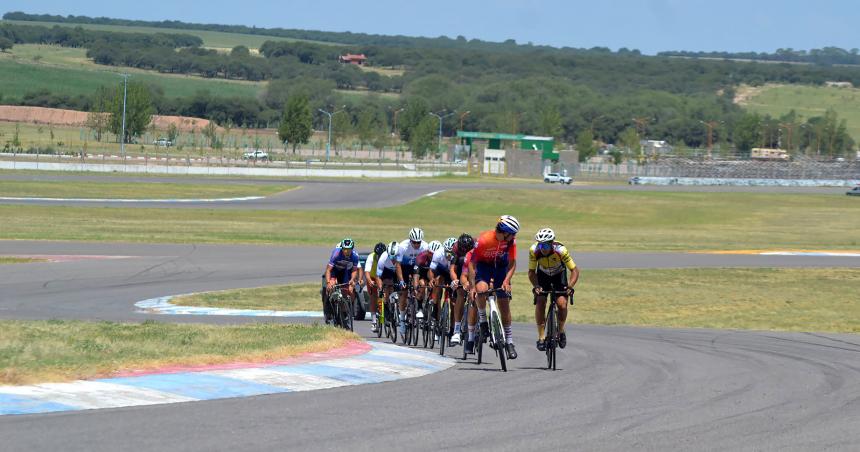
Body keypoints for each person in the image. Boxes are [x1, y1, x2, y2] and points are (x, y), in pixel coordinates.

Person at [468, 215, 520, 359]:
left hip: (501, 269)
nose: (514, 237)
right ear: (504, 232)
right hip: (484, 268)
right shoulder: (484, 239)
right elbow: (472, 264)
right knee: (482, 290)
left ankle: (509, 341)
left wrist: (507, 281)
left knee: (504, 304)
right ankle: (483, 320)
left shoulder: (511, 242)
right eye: (513, 233)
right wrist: (472, 287)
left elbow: (512, 263)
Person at [528, 228, 579, 351]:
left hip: (558, 275)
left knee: (562, 304)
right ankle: (541, 337)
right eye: (540, 244)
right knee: (540, 302)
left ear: (551, 243)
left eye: (546, 244)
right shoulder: (534, 250)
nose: (543, 248)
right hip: (543, 275)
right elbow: (531, 272)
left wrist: (570, 286)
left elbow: (574, 271)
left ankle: (561, 331)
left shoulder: (561, 250)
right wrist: (536, 286)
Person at [394, 227, 429, 340]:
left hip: (418, 268)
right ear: (410, 240)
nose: (417, 244)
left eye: (418, 242)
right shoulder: (402, 247)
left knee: (422, 285)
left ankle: (419, 306)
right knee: (403, 293)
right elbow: (398, 265)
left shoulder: (425, 246)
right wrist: (401, 281)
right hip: (404, 268)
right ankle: (403, 319)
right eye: (414, 242)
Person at [323, 237, 360, 324]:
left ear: (352, 249)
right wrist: (328, 282)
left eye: (348, 250)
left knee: (346, 292)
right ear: (342, 248)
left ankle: (344, 313)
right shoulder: (336, 254)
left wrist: (352, 280)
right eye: (345, 249)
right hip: (334, 271)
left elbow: (354, 270)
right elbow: (328, 270)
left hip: (344, 271)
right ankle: (328, 311)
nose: (346, 252)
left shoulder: (354, 256)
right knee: (331, 287)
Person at [364, 242, 387, 333]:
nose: (380, 257)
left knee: (386, 293)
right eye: (378, 255)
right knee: (373, 298)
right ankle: (374, 321)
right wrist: (369, 281)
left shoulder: (387, 256)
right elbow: (367, 272)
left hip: (383, 276)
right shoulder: (371, 257)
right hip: (373, 277)